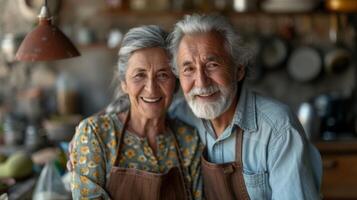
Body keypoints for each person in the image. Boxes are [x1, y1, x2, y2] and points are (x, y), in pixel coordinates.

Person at [167, 14, 322, 200]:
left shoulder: (278, 128)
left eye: (212, 65)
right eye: (189, 69)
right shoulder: (177, 117)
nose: (201, 82)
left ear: (239, 70)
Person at [70, 25, 203, 200]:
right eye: (139, 75)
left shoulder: (189, 139)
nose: (151, 88)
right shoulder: (96, 134)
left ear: (176, 83)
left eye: (162, 75)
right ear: (124, 83)